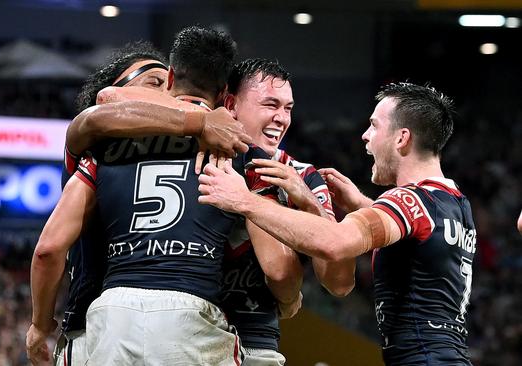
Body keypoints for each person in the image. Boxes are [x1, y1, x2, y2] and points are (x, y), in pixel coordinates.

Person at [198, 82, 476, 365]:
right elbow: (420, 236)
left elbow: (335, 243)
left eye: (374, 126)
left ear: (402, 138)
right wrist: (361, 204)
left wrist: (245, 200)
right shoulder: (454, 203)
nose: (365, 136)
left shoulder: (409, 200)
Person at [28, 26, 256, 366]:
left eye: (165, 79)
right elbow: (101, 110)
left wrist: (39, 324)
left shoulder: (105, 155)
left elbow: (48, 249)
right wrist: (202, 120)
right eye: (151, 83)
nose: (164, 90)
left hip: (104, 327)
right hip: (103, 324)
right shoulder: (93, 140)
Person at [220, 58, 355, 365]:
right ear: (231, 103)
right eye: (270, 104)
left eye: (288, 108)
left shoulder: (303, 176)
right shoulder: (203, 159)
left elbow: (340, 283)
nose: (281, 118)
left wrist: (308, 202)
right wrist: (291, 295)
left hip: (256, 335)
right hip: (198, 325)